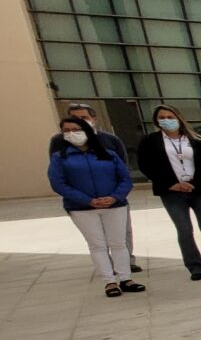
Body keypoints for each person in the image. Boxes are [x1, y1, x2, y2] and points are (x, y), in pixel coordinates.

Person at [48, 115, 143, 298]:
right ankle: (109, 281)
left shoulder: (108, 153)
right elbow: (59, 184)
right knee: (97, 245)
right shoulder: (60, 157)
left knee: (118, 243)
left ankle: (125, 278)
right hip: (82, 208)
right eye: (66, 130)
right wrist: (87, 200)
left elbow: (125, 178)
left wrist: (115, 197)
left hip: (114, 206)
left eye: (75, 129)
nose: (71, 134)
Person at [137, 104, 201, 280]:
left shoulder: (197, 140)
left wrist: (193, 183)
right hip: (172, 192)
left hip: (199, 190)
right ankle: (195, 267)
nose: (166, 120)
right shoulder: (150, 141)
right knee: (184, 230)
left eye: (170, 117)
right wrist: (171, 184)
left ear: (178, 118)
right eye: (162, 117)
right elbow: (146, 165)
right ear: (157, 121)